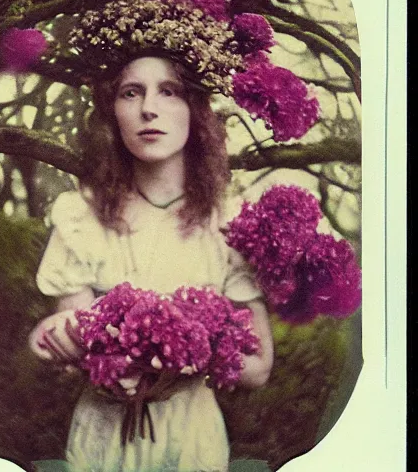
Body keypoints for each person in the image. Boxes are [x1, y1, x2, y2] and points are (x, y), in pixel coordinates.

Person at [28, 54, 274, 472]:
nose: (148, 109)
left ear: (195, 111)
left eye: (169, 91)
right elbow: (73, 334)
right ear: (112, 112)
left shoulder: (229, 224)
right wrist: (68, 343)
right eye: (131, 92)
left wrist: (183, 353)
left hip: (191, 438)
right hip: (104, 436)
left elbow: (258, 366)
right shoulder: (82, 219)